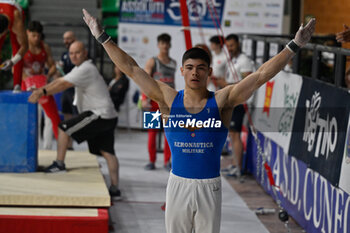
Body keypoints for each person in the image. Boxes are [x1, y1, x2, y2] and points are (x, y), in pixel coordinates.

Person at [82, 9, 315, 233]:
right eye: (190, 68)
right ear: (182, 70)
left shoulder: (223, 100)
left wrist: (294, 46)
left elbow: (260, 76)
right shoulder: (168, 98)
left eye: (201, 68)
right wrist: (102, 38)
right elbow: (132, 69)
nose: (195, 73)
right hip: (178, 185)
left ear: (208, 71)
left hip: (209, 187)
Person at [28, 40, 121, 200]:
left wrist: (42, 91)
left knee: (63, 128)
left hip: (99, 114)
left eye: (77, 52)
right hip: (108, 116)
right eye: (71, 53)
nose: (74, 56)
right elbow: (60, 81)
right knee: (107, 152)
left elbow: (62, 84)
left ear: (85, 53)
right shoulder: (82, 68)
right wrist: (42, 89)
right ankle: (115, 189)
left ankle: (59, 164)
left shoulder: (86, 68)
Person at [219, 34, 254, 177]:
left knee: (235, 134)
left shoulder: (244, 60)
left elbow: (248, 84)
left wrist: (226, 85)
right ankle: (234, 164)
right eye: (227, 46)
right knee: (231, 134)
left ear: (238, 44)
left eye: (232, 45)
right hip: (231, 101)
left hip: (239, 103)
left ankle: (238, 168)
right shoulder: (232, 59)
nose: (230, 48)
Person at [142, 33, 176, 171]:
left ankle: (167, 161)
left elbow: (172, 83)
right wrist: (144, 99)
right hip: (155, 102)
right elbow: (144, 81)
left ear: (170, 45)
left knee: (169, 133)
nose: (165, 46)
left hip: (169, 103)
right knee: (152, 132)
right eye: (162, 43)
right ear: (158, 45)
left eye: (167, 43)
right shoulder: (152, 61)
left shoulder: (174, 63)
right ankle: (151, 161)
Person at [22, 21, 60, 142]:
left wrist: (48, 75)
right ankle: (26, 146)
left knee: (54, 117)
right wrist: (27, 81)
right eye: (33, 36)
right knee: (28, 118)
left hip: (42, 85)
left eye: (38, 36)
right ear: (27, 33)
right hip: (27, 86)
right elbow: (15, 68)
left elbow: (53, 66)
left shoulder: (45, 47)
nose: (36, 39)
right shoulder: (22, 47)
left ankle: (62, 145)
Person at [0, 0, 28, 92]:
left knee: (16, 47)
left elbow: (25, 46)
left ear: (6, 31)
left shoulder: (16, 22)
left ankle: (17, 85)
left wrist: (13, 61)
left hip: (14, 11)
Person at [59, 30, 77, 150]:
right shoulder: (64, 55)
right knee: (67, 117)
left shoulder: (80, 55)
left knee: (75, 118)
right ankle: (68, 144)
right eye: (64, 38)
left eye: (68, 38)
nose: (66, 41)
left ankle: (72, 142)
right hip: (66, 90)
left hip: (76, 91)